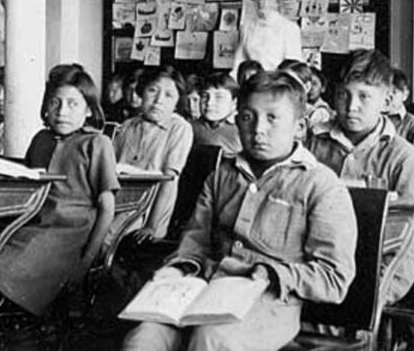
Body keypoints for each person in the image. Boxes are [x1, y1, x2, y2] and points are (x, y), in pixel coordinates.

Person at [121, 71, 357, 351]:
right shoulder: (222, 175)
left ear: (300, 126)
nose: (258, 129)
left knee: (211, 340)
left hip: (271, 302)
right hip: (204, 290)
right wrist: (180, 267)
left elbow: (334, 276)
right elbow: (194, 244)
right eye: (247, 117)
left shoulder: (320, 184)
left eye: (272, 118)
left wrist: (272, 273)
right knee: (142, 338)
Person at [0, 69, 119, 325]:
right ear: (45, 107)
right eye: (55, 103)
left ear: (89, 111)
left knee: (7, 263)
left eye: (73, 104)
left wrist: (88, 260)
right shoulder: (41, 139)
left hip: (67, 232)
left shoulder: (97, 143)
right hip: (30, 221)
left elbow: (107, 207)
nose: (62, 111)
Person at [307, 49, 414, 304]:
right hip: (315, 270)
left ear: (386, 100)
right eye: (343, 95)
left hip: (373, 278)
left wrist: (379, 293)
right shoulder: (312, 146)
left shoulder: (405, 159)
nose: (351, 107)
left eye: (364, 97)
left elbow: (408, 246)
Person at [113, 67, 193, 241]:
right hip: (116, 203)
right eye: (152, 91)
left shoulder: (179, 128)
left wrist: (152, 225)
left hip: (146, 211)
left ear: (178, 102)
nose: (158, 101)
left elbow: (169, 181)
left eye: (168, 95)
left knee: (105, 236)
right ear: (141, 92)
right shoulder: (127, 126)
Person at [230, 0, 302, 77]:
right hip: (252, 81)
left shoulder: (289, 28)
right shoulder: (247, 27)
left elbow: (293, 64)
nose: (262, 3)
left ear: (276, 2)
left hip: (276, 82)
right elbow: (239, 60)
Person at [190, 72, 241, 154]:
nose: (209, 103)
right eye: (204, 96)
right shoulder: (189, 128)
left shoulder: (241, 130)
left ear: (234, 102)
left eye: (219, 97)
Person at [386, 69, 414, 156]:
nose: (389, 96)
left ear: (405, 95)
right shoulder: (371, 120)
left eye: (394, 92)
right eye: (385, 91)